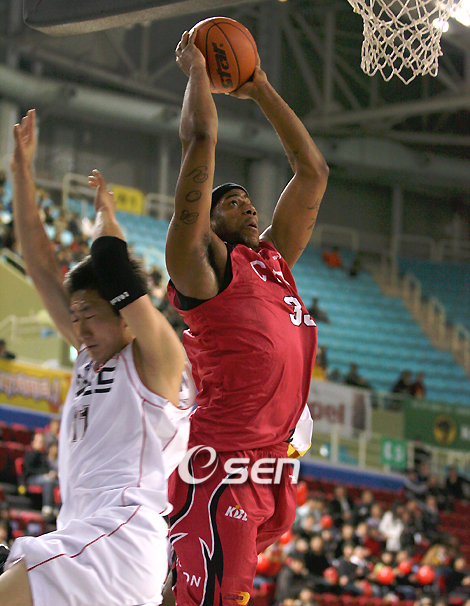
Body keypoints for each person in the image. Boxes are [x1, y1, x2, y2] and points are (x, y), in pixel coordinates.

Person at [0, 109, 194, 606]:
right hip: (84, 534)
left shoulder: (157, 361)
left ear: (125, 315)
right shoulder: (91, 353)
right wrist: (21, 173)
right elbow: (41, 266)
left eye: (90, 315)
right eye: (75, 316)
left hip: (120, 537)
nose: (79, 328)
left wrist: (108, 222)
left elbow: (119, 276)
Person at [165, 28, 328, 606]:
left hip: (270, 466)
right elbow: (200, 141)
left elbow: (313, 172)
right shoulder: (202, 268)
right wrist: (197, 73)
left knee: (185, 594)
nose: (251, 206)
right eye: (233, 202)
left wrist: (258, 87)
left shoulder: (274, 264)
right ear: (207, 222)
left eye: (250, 200)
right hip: (223, 465)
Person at [22, 432, 59, 517]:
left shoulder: (43, 456)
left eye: (42, 442)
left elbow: (47, 468)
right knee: (48, 481)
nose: (40, 444)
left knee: (59, 482)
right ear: (33, 442)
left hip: (43, 477)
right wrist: (45, 474)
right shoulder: (29, 454)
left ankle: (57, 508)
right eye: (38, 441)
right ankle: (47, 506)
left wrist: (51, 473)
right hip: (32, 479)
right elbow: (29, 470)